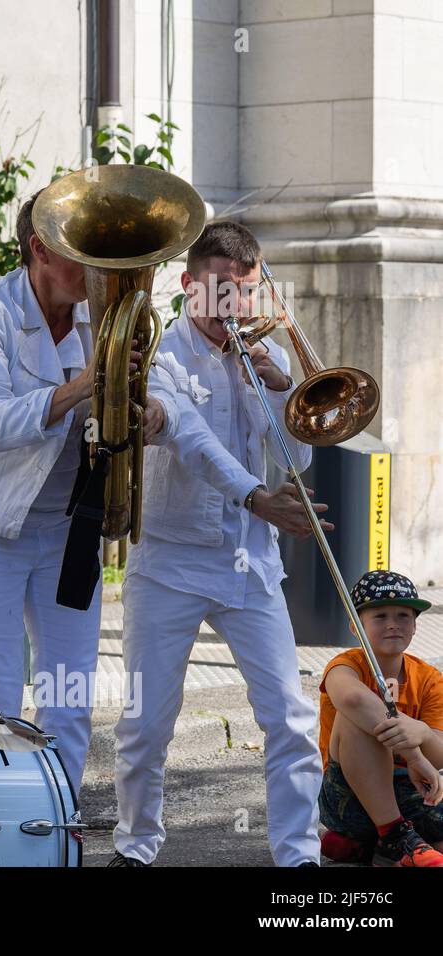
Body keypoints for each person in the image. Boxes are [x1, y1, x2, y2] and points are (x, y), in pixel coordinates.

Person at [110, 220, 329, 867]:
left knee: (290, 717)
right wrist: (258, 498)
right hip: (170, 564)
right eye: (220, 292)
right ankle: (137, 844)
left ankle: (300, 859)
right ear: (189, 286)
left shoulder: (271, 361)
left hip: (249, 565)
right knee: (147, 724)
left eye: (245, 292)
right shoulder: (161, 357)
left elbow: (299, 463)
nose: (234, 307)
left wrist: (276, 398)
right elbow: (192, 442)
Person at [0, 190, 179, 791]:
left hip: (71, 528)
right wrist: (84, 386)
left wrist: (146, 412)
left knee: (69, 699)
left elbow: (129, 414)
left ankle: (57, 832)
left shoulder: (98, 319)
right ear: (40, 250)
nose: (103, 271)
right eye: (86, 253)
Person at [318, 570, 443, 866]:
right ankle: (392, 833)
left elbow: (438, 758)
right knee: (357, 713)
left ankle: (373, 847)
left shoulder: (429, 678)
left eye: (403, 615)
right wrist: (413, 755)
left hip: (411, 794)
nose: (392, 625)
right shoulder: (344, 666)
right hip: (347, 794)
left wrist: (423, 733)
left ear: (414, 625)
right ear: (355, 626)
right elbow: (351, 699)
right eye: (379, 616)